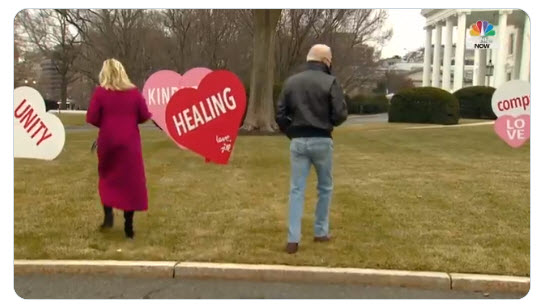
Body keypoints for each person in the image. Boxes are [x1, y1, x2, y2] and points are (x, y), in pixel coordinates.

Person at [276, 44, 348, 254]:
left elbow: (280, 113)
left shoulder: (291, 82)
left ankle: (293, 239)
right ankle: (320, 231)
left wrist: (291, 131)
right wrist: (329, 122)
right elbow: (340, 114)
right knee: (325, 187)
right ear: (326, 61)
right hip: (322, 139)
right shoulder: (330, 82)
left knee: (296, 189)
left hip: (298, 141)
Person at [86, 58, 152, 239]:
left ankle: (108, 216)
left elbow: (91, 117)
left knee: (107, 178)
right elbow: (145, 115)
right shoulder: (134, 93)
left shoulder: (100, 93)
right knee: (130, 182)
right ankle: (128, 226)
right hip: (129, 142)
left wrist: (106, 122)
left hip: (108, 141)